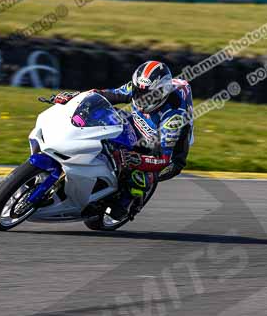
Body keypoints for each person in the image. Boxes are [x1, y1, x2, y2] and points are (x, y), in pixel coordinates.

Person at [52, 60, 193, 219]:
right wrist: (75, 97)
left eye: (147, 95)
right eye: (138, 91)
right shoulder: (139, 87)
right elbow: (104, 94)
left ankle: (128, 202)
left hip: (166, 152)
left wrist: (136, 159)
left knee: (138, 175)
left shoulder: (173, 118)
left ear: (162, 93)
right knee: (102, 115)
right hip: (139, 125)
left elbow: (163, 160)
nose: (141, 98)